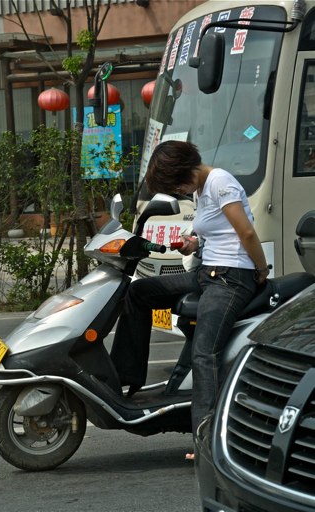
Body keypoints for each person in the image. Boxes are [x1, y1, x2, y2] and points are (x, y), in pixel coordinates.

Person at [110, 140, 270, 450]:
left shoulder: (220, 182)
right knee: (139, 291)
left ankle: (207, 440)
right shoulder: (201, 188)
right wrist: (193, 244)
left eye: (176, 185)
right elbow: (217, 232)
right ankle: (126, 379)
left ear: (185, 170)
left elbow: (246, 233)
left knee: (204, 352)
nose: (179, 192)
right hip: (208, 272)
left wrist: (260, 270)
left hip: (231, 278)